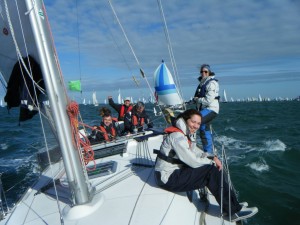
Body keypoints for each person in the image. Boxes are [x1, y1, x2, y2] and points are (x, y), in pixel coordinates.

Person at [154, 109, 258, 222]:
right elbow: (192, 161)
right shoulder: (177, 137)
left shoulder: (187, 134)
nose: (196, 126)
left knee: (215, 169)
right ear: (185, 119)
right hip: (167, 178)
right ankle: (232, 212)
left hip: (174, 172)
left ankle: (234, 203)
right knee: (210, 171)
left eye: (198, 123)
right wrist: (211, 162)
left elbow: (195, 152)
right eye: (193, 122)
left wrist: (212, 157)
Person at [193, 64, 220, 156]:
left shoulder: (212, 83)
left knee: (194, 122)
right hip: (205, 109)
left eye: (205, 72)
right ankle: (208, 151)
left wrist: (197, 99)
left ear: (209, 72)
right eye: (202, 71)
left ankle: (189, 146)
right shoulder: (202, 83)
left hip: (211, 109)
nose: (203, 73)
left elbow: (208, 100)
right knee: (204, 128)